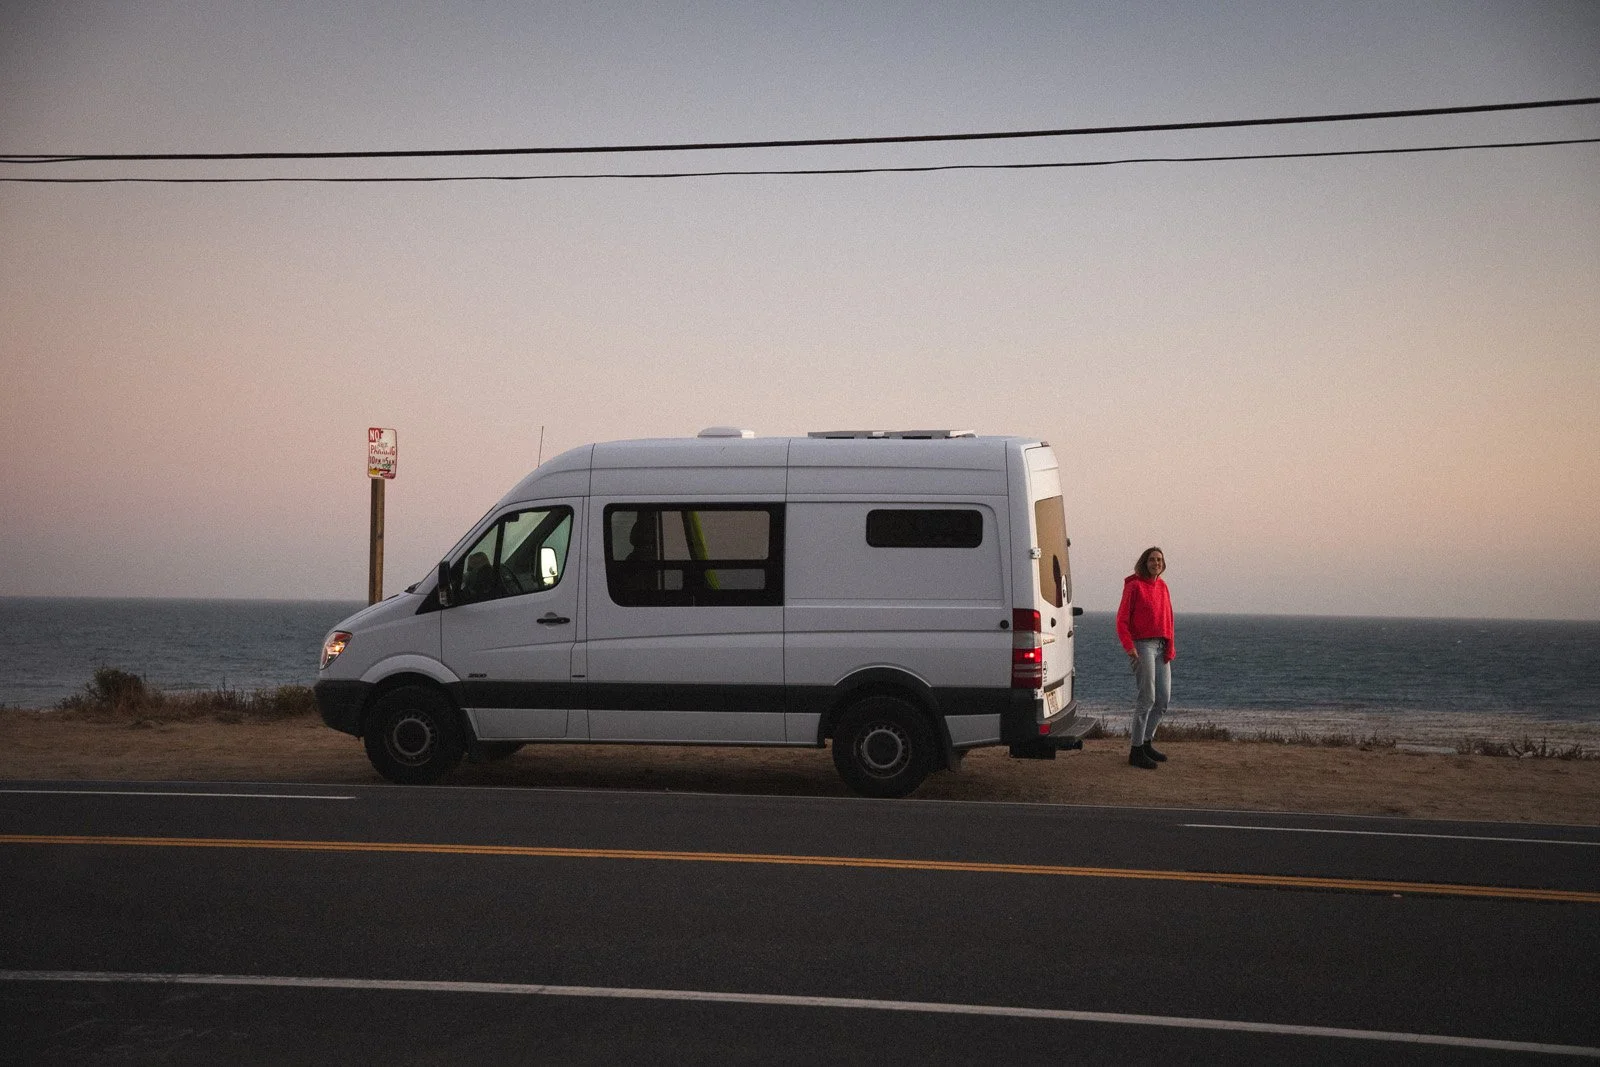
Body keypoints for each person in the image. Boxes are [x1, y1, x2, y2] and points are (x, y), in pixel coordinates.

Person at [1116, 547, 1175, 770]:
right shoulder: (1134, 586)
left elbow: (1169, 620)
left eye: (1159, 559)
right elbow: (1121, 621)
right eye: (1152, 559)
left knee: (1163, 699)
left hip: (1161, 646)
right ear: (1145, 562)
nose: (1156, 563)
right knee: (1147, 698)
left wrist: (1170, 647)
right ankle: (1136, 750)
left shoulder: (1163, 587)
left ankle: (1147, 742)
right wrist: (1129, 648)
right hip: (1143, 646)